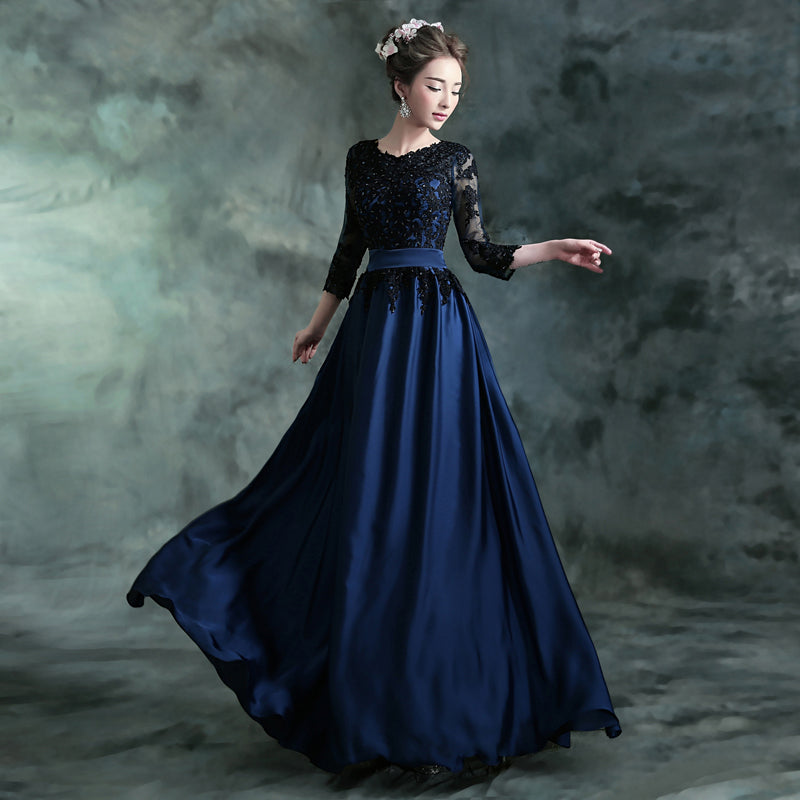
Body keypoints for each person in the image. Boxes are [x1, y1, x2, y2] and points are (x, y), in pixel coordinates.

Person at [126, 17, 621, 780]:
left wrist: (555, 248)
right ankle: (367, 695)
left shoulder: (455, 160)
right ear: (400, 85)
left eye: (456, 90)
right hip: (375, 332)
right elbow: (349, 248)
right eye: (435, 86)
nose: (447, 100)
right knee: (361, 497)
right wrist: (317, 324)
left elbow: (481, 253)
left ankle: (442, 699)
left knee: (440, 497)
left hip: (438, 335)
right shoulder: (361, 159)